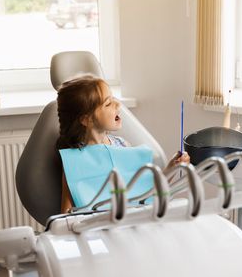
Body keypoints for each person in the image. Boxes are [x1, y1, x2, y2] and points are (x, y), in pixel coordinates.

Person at [56, 75, 190, 213]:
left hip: (134, 223)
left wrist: (172, 168)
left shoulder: (123, 146)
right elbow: (66, 214)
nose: (118, 104)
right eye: (108, 103)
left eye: (113, 98)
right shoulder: (74, 162)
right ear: (87, 120)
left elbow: (148, 193)